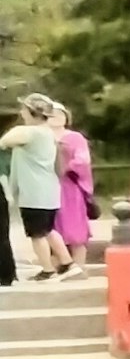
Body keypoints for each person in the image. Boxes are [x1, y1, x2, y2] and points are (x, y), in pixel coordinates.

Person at [0, 98, 65, 280]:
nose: (21, 113)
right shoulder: (48, 134)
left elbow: (5, 141)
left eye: (24, 110)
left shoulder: (30, 133)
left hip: (34, 192)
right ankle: (67, 263)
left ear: (31, 113)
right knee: (48, 230)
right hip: (48, 190)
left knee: (36, 234)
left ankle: (48, 269)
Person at [52, 107, 93, 272]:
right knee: (51, 227)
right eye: (53, 113)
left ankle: (79, 267)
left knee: (75, 227)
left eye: (61, 113)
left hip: (70, 186)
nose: (57, 116)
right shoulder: (42, 136)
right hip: (48, 185)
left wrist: (68, 166)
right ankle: (55, 267)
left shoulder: (75, 137)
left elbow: (83, 159)